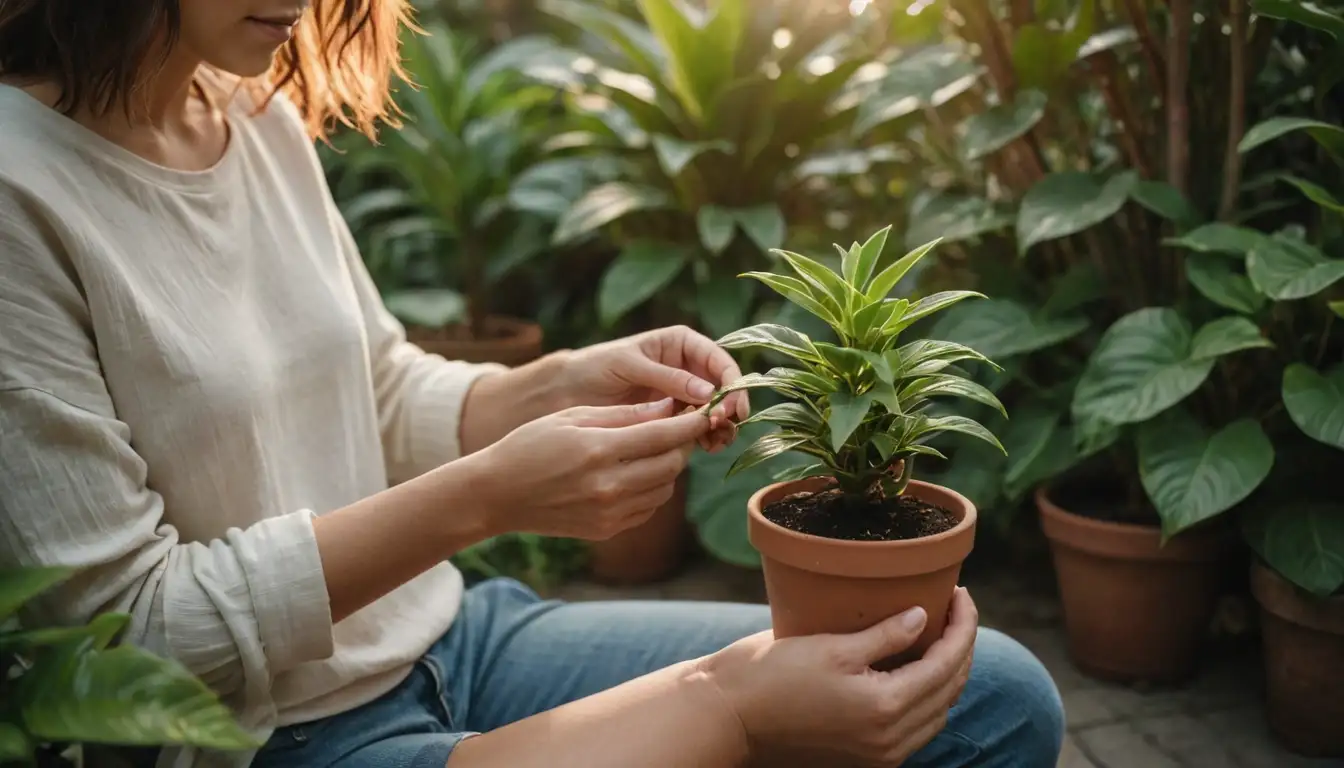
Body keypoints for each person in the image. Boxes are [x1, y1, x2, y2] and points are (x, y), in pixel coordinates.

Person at [0, 1, 1065, 766]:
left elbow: (373, 389)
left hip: (450, 639)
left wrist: (552, 386)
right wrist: (723, 706)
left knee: (990, 692)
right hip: (264, 737)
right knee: (773, 709)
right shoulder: (20, 189)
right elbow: (126, 637)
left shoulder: (249, 112)